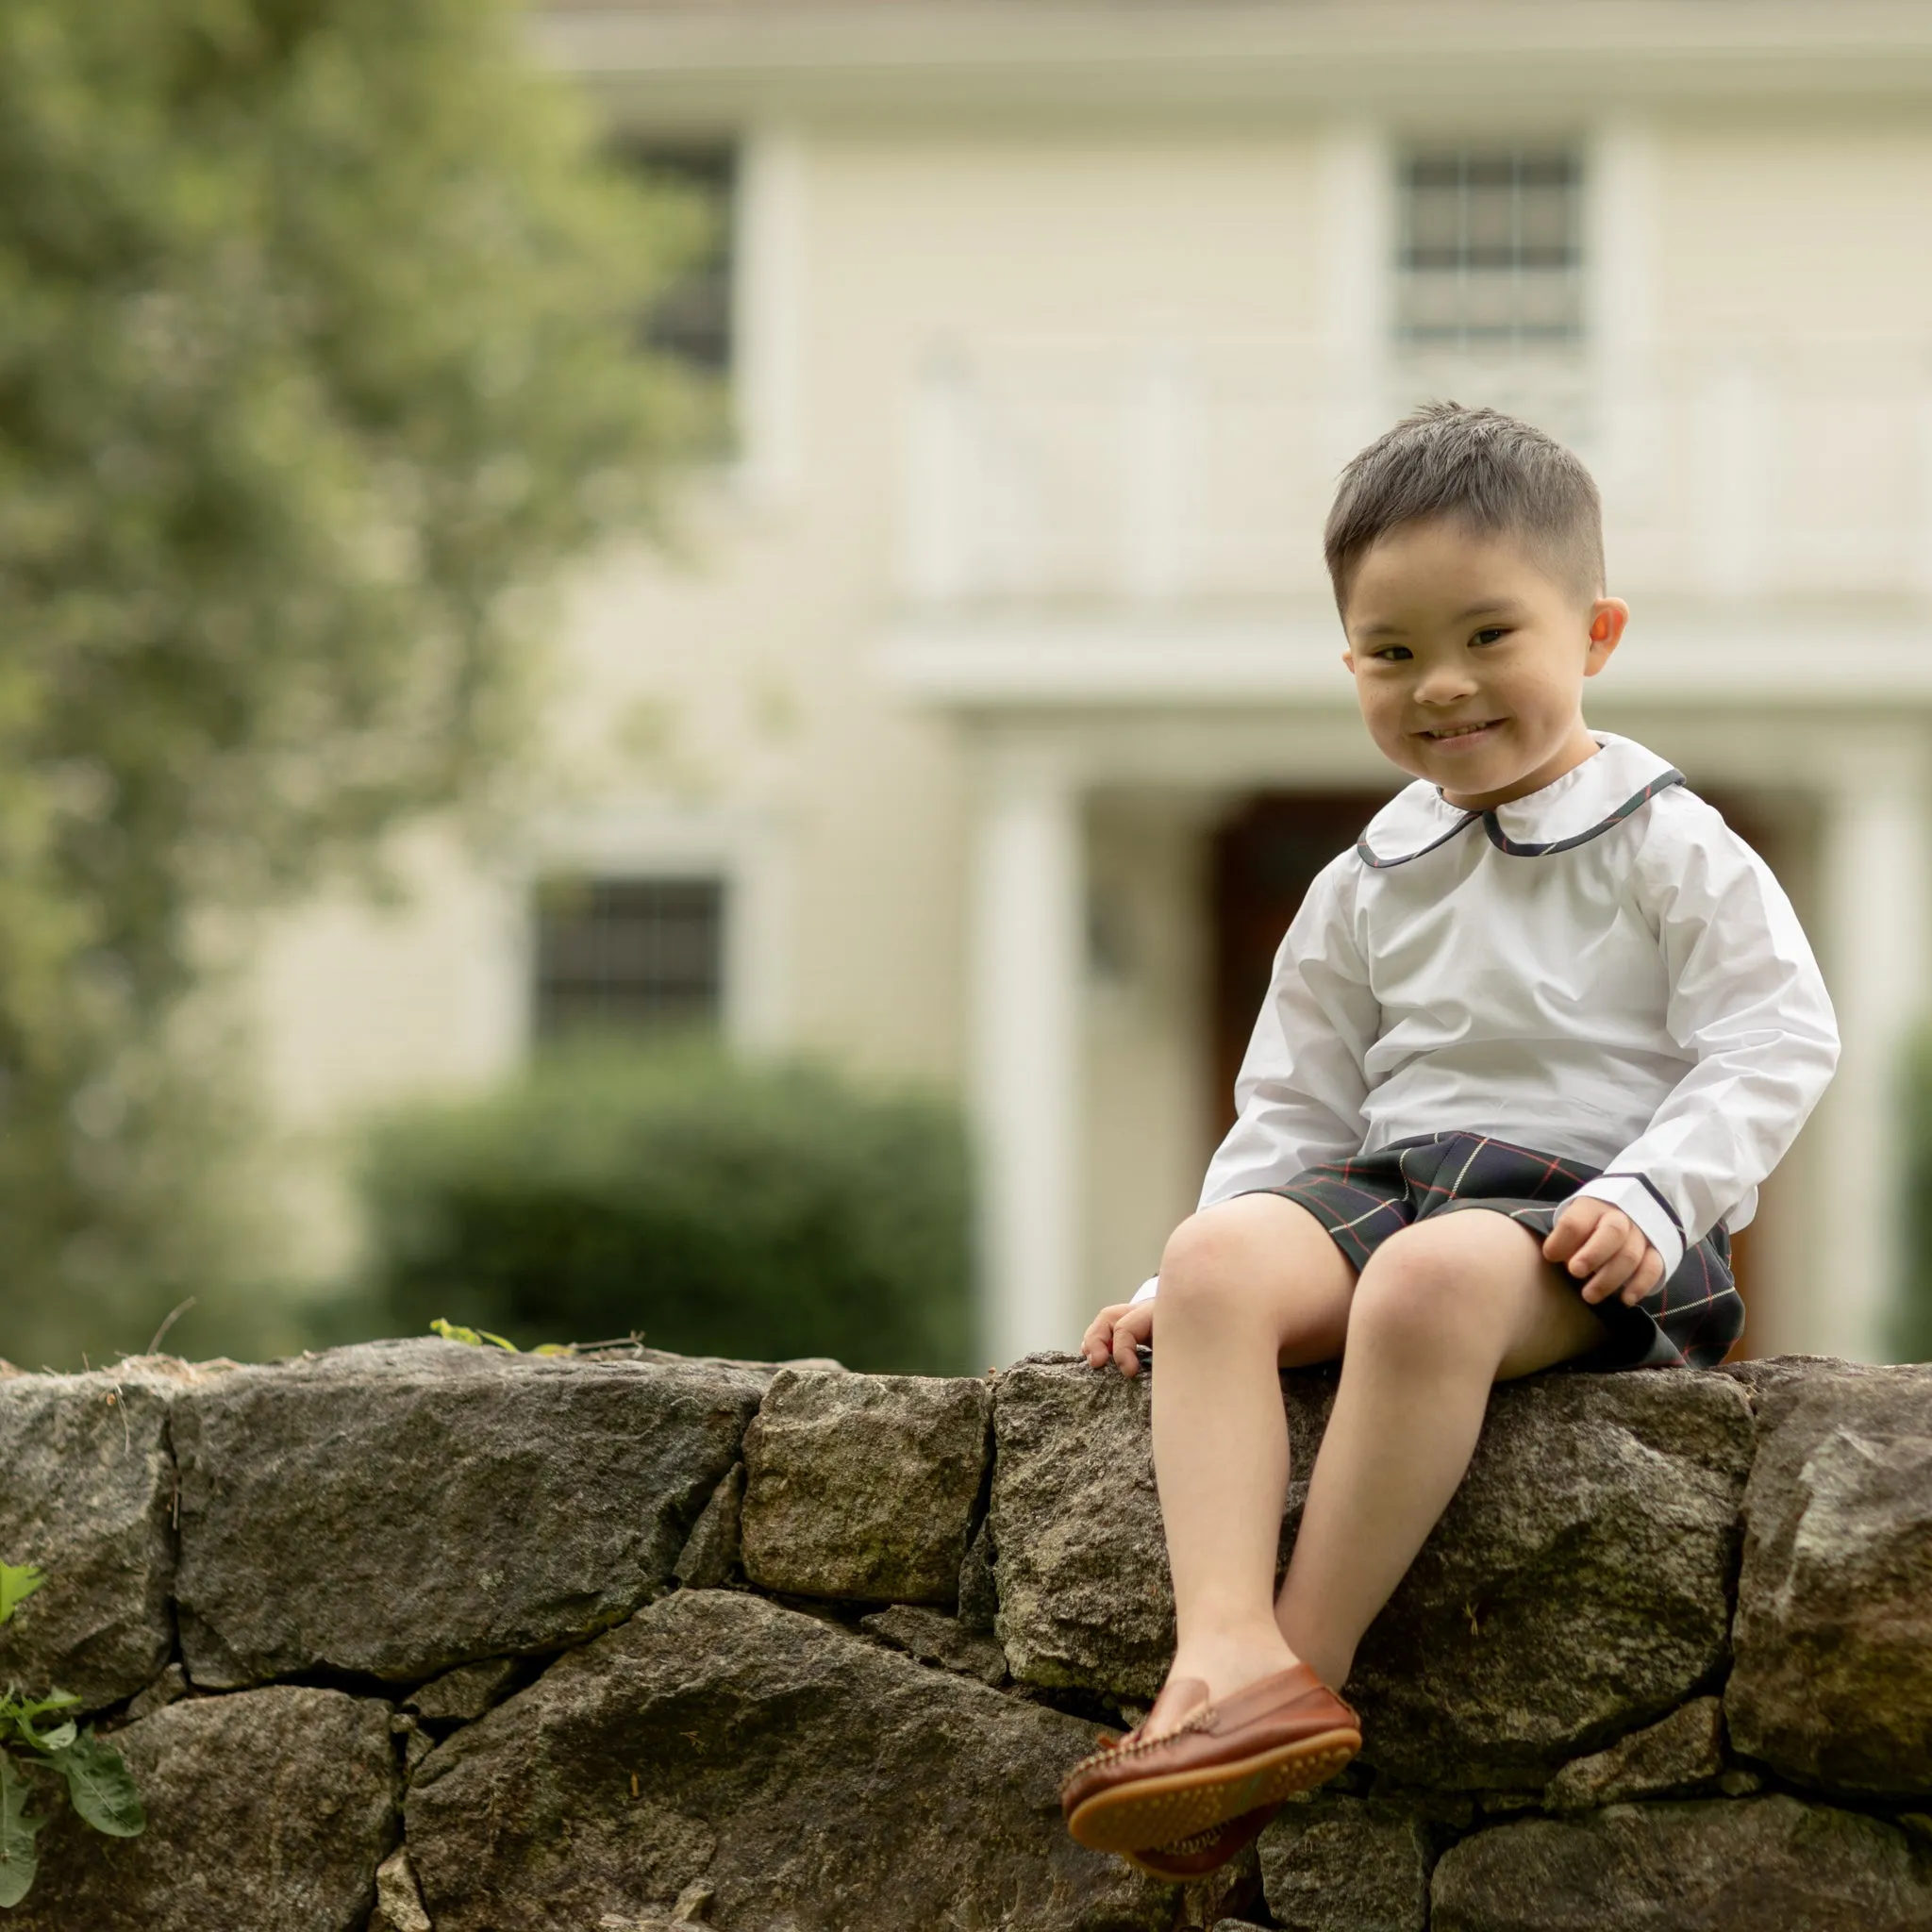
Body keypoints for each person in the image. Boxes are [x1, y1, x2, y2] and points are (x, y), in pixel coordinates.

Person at [1057, 402, 1840, 1882]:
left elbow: (1775, 1036)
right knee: (1216, 1257)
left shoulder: (1670, 839)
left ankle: (1304, 1660)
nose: (1445, 687)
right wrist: (1193, 1282)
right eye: (1394, 652)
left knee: (1426, 1287)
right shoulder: (1368, 876)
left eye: (1492, 637)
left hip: (1575, 1224)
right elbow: (1290, 1104)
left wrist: (1661, 1196)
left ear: (1596, 633)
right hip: (1389, 1182)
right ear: (1349, 660)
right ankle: (1219, 1651)